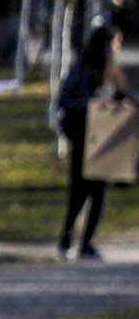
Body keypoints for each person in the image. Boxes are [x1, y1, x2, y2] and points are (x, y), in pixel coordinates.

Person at [58, 20, 128, 259]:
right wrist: (93, 106)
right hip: (84, 136)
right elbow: (65, 100)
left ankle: (87, 242)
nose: (119, 47)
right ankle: (67, 237)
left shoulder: (111, 73)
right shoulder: (81, 70)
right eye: (116, 43)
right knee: (80, 190)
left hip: (106, 138)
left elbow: (122, 96)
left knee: (99, 192)